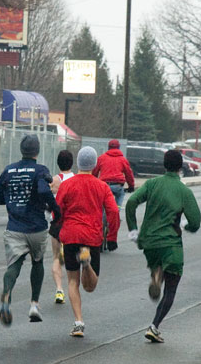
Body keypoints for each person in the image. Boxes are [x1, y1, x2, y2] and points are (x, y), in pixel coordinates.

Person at [125, 149, 201, 344]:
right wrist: (185, 225)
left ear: (164, 165)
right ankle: (154, 326)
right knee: (172, 287)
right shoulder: (184, 191)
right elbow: (196, 221)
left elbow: (132, 201)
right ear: (180, 166)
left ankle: (156, 274)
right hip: (170, 243)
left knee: (157, 265)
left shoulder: (152, 184)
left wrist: (133, 229)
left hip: (149, 242)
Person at [0, 134, 60, 327]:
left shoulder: (9, 170)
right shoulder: (40, 170)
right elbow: (44, 191)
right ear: (37, 151)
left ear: (21, 150)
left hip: (14, 228)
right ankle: (34, 305)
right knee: (37, 262)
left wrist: (12, 198)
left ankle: (6, 296)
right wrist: (55, 209)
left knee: (14, 265)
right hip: (36, 228)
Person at [55, 146, 120, 337]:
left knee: (73, 281)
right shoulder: (102, 186)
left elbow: (57, 209)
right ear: (94, 165)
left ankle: (78, 322)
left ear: (79, 163)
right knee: (91, 286)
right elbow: (114, 211)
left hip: (71, 235)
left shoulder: (67, 185)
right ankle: (87, 264)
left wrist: (59, 224)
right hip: (92, 236)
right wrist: (112, 236)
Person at [92, 139, 136, 251]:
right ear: (119, 147)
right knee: (115, 210)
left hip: (103, 187)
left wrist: (94, 183)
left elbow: (94, 172)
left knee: (100, 211)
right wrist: (131, 186)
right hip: (117, 187)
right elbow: (129, 174)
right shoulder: (122, 160)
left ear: (108, 148)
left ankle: (100, 232)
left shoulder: (101, 158)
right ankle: (117, 211)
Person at [49, 150, 74, 304]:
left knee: (56, 258)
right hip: (72, 223)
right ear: (72, 163)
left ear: (58, 163)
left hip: (57, 223)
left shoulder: (54, 181)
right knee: (73, 259)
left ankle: (59, 289)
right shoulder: (77, 179)